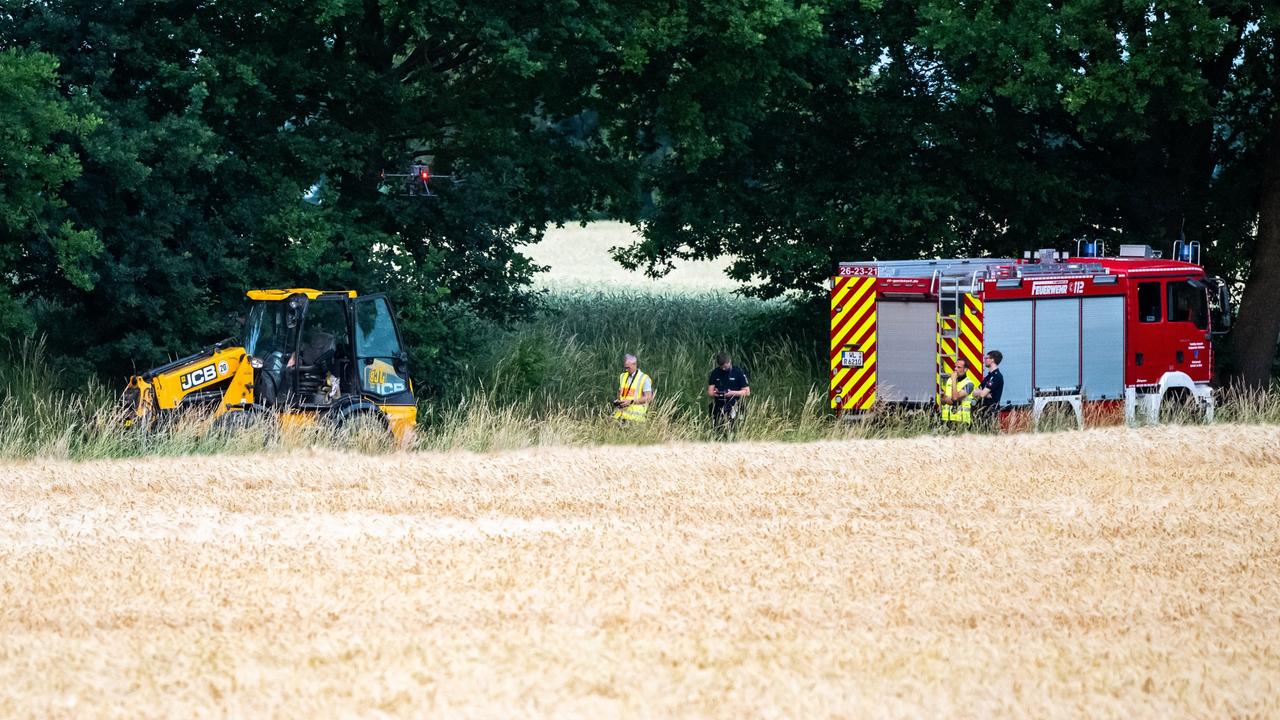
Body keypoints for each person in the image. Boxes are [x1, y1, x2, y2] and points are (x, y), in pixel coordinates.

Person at [707, 352, 750, 436]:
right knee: (718, 431)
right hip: (719, 405)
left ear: (730, 362)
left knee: (734, 430)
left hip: (735, 404)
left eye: (726, 367)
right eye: (721, 367)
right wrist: (716, 393)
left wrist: (732, 393)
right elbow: (710, 391)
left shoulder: (738, 372)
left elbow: (747, 392)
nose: (724, 369)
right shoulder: (715, 373)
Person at [613, 353, 654, 423]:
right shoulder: (623, 376)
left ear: (634, 364)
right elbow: (620, 392)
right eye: (625, 367)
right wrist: (618, 401)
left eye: (628, 367)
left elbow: (648, 398)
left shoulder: (644, 378)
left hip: (635, 420)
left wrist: (631, 401)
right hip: (620, 416)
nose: (626, 370)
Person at [972, 350, 1004, 431]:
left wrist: (982, 393)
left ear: (992, 360)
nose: (984, 360)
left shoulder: (996, 376)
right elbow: (975, 392)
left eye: (986, 358)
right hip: (983, 411)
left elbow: (982, 394)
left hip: (990, 412)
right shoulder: (988, 377)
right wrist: (985, 393)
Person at [940, 358, 976, 427]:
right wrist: (946, 400)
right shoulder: (949, 380)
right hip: (946, 419)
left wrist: (954, 380)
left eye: (958, 367)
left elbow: (955, 398)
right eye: (955, 367)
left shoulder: (969, 384)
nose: (955, 369)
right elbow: (943, 400)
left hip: (961, 421)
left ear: (965, 370)